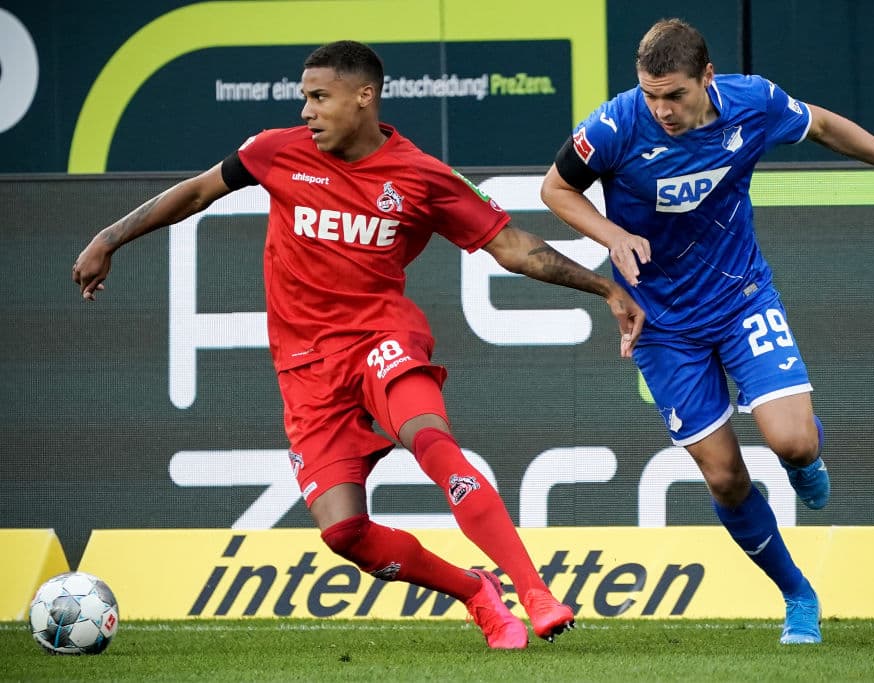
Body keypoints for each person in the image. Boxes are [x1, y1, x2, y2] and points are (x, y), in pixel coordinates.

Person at [73, 40, 645, 650]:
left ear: (364, 96)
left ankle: (535, 593)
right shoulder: (275, 151)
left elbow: (511, 246)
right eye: (305, 99)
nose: (307, 111)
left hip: (382, 339)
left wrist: (604, 288)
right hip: (305, 369)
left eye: (320, 98)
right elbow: (195, 193)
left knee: (432, 443)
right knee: (344, 533)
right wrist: (109, 238)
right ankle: (477, 592)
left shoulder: (420, 175)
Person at [540, 18, 874, 645]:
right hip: (661, 323)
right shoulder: (614, 125)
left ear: (707, 78)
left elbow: (824, 126)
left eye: (675, 95)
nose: (662, 110)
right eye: (650, 94)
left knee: (794, 443)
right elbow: (556, 188)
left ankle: (806, 458)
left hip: (741, 299)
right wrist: (613, 235)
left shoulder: (753, 102)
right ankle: (798, 594)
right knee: (724, 477)